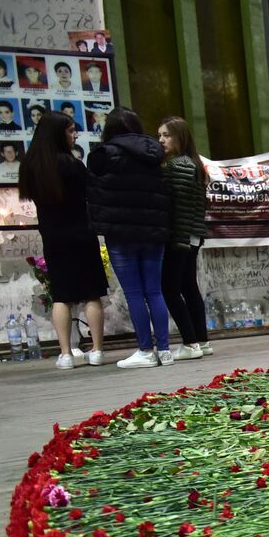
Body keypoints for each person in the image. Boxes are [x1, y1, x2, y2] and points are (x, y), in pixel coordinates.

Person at [19, 111, 108, 370]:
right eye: (71, 131)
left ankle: (66, 354)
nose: (75, 135)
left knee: (61, 296)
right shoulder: (72, 164)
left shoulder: (31, 166)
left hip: (53, 236)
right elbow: (94, 191)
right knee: (92, 294)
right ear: (58, 134)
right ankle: (97, 350)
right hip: (81, 232)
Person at [87, 107, 173, 368]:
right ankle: (166, 351)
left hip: (121, 234)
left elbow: (94, 192)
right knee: (155, 291)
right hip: (154, 232)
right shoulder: (154, 154)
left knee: (134, 293)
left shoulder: (104, 155)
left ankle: (146, 350)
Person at [157, 117, 210, 359]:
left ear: (180, 137)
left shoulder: (176, 167)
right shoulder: (195, 164)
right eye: (160, 135)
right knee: (189, 287)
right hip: (194, 233)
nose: (161, 140)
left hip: (179, 234)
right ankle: (201, 340)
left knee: (169, 288)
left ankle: (190, 343)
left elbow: (171, 206)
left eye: (166, 135)